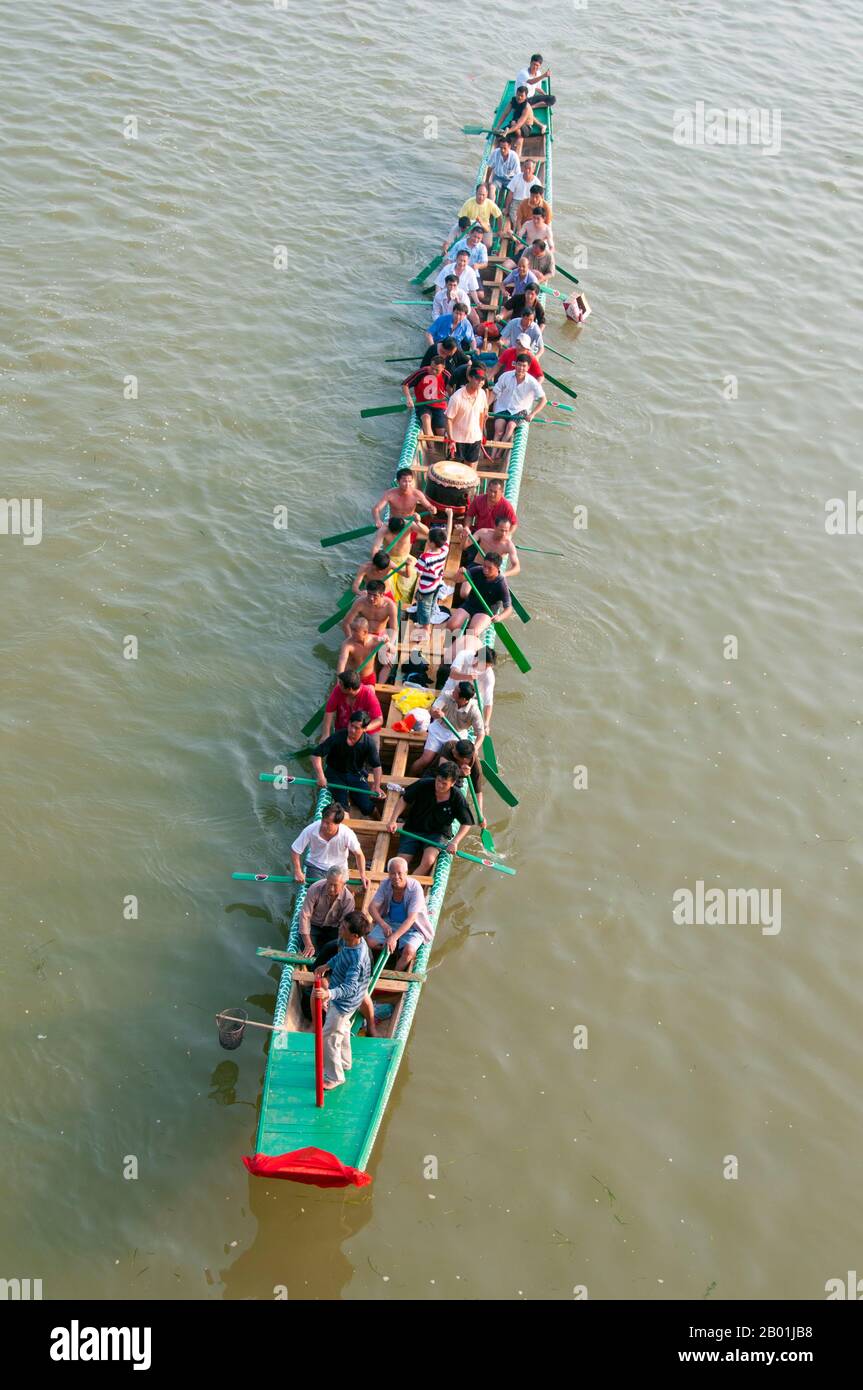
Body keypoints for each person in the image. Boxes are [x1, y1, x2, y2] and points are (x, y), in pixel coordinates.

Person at [313, 910, 373, 1089]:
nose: (340, 928)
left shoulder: (358, 959)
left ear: (354, 934)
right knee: (344, 1030)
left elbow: (350, 988)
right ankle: (345, 1062)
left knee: (329, 1036)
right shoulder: (348, 942)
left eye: (344, 927)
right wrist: (327, 965)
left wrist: (328, 994)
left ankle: (335, 1077)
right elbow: (341, 956)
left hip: (345, 1003)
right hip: (343, 998)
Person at [388, 762, 473, 874]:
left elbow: (467, 823)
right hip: (413, 828)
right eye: (438, 781)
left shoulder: (457, 798)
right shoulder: (424, 784)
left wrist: (455, 842)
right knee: (401, 862)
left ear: (452, 783)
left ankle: (410, 886)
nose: (439, 785)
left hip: (437, 834)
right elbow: (404, 799)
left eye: (444, 783)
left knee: (428, 861)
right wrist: (393, 820)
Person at [311, 710, 383, 816]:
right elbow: (316, 755)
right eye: (351, 725)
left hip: (356, 775)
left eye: (357, 728)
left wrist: (377, 786)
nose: (352, 730)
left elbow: (377, 766)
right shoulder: (337, 737)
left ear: (364, 729)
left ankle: (379, 821)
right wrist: (321, 776)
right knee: (342, 808)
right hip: (335, 774)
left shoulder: (368, 743)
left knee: (368, 807)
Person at [367, 857, 433, 971]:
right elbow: (371, 908)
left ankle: (394, 974)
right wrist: (383, 924)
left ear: (406, 873)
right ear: (388, 874)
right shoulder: (385, 884)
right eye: (392, 873)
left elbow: (412, 919)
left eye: (400, 873)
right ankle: (375, 963)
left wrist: (393, 937)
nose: (396, 877)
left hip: (413, 927)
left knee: (409, 952)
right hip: (390, 922)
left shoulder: (415, 887)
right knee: (369, 942)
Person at [410, 681, 484, 774]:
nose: (453, 691)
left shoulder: (474, 711)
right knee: (426, 760)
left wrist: (475, 749)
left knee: (449, 766)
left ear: (463, 699)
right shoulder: (447, 695)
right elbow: (433, 710)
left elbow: (481, 734)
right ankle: (408, 780)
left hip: (457, 735)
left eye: (456, 691)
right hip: (438, 730)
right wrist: (436, 714)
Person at [291, 802, 368, 887]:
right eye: (323, 821)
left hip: (339, 868)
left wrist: (363, 875)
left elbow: (359, 855)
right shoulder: (311, 829)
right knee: (320, 891)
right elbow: (295, 850)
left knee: (338, 893)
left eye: (328, 823)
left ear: (338, 823)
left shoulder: (347, 834)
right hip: (316, 866)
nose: (323, 825)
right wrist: (298, 871)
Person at [340, 581, 398, 683]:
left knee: (388, 662)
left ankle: (378, 687)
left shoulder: (390, 606)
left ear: (382, 595)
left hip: (380, 636)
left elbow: (394, 629)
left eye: (375, 596)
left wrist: (390, 645)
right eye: (369, 595)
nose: (371, 598)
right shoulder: (360, 602)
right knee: (352, 661)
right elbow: (346, 623)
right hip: (362, 634)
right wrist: (351, 640)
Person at [488, 353, 547, 452]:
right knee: (499, 430)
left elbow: (543, 400)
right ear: (515, 364)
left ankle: (499, 452)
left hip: (520, 410)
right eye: (519, 365)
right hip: (503, 406)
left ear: (528, 368)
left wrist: (532, 414)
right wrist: (486, 407)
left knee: (510, 427)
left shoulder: (532, 382)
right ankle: (492, 454)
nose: (521, 368)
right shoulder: (506, 376)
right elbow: (494, 392)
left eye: (524, 366)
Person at [446, 552, 513, 637]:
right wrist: (459, 573)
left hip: (485, 611)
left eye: (490, 568)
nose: (485, 570)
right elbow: (456, 580)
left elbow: (509, 609)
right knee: (451, 626)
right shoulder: (478, 570)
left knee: (471, 634)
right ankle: (446, 646)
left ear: (498, 568)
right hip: (469, 605)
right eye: (484, 566)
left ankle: (464, 646)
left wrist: (499, 617)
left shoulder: (501, 584)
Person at [423, 738, 485, 827]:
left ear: (464, 759)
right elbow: (442, 767)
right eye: (454, 748)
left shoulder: (476, 767)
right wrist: (460, 772)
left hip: (455, 782)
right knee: (425, 794)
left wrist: (480, 815)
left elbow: (478, 792)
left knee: (449, 802)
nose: (453, 750)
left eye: (455, 752)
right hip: (436, 774)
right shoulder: (450, 745)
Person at [298, 866, 356, 958]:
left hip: (334, 929)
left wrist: (340, 944)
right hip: (313, 926)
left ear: (343, 884)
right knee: (308, 952)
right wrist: (308, 943)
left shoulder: (348, 899)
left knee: (334, 953)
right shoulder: (314, 889)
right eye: (329, 884)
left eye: (335, 885)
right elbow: (305, 916)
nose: (331, 889)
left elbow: (344, 925)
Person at [411, 507, 453, 633]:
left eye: (428, 539)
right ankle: (428, 620)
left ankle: (426, 628)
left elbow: (417, 572)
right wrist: (450, 516)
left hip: (426, 587)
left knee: (424, 607)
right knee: (432, 602)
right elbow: (448, 534)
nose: (427, 540)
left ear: (433, 544)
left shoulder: (425, 557)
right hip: (437, 584)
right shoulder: (444, 550)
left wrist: (409, 564)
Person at [400, 357, 450, 449]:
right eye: (432, 368)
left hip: (439, 405)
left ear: (443, 368)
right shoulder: (421, 372)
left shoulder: (446, 375)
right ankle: (432, 450)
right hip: (423, 404)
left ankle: (444, 450)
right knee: (426, 420)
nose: (433, 371)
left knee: (441, 432)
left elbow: (452, 390)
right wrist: (409, 398)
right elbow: (405, 384)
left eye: (437, 370)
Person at [321, 668, 383, 738]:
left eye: (341, 684)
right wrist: (325, 734)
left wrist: (363, 729)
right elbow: (329, 711)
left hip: (366, 731)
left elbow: (379, 720)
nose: (339, 685)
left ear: (349, 689)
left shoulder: (368, 694)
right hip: (343, 729)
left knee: (372, 746)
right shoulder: (338, 690)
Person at [445, 366, 488, 464]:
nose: (480, 382)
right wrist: (451, 440)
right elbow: (448, 419)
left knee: (471, 467)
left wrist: (480, 434)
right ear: (469, 378)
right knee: (454, 468)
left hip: (475, 438)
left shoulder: (482, 394)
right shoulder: (456, 398)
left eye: (482, 379)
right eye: (477, 378)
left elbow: (481, 414)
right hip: (457, 439)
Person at [336, 614, 380, 686]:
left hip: (368, 678)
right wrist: (339, 681)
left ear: (365, 632)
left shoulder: (374, 640)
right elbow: (342, 662)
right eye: (352, 630)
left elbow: (392, 650)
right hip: (351, 680)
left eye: (355, 631)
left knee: (370, 692)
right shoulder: (347, 644)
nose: (352, 633)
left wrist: (388, 645)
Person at [493, 85, 537, 155]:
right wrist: (497, 127)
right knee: (498, 135)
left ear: (526, 97)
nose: (519, 97)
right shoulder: (513, 101)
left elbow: (519, 124)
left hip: (526, 128)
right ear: (516, 94)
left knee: (514, 123)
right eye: (518, 95)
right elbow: (505, 114)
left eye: (522, 96)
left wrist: (507, 132)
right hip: (515, 124)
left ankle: (519, 137)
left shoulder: (526, 107)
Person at [458, 183, 503, 248]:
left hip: (485, 226)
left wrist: (500, 230)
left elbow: (499, 216)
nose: (481, 197)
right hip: (471, 227)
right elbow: (461, 217)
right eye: (479, 194)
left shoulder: (489, 203)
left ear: (487, 194)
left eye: (483, 195)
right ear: (476, 193)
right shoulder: (468, 203)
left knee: (488, 244)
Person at [485, 135, 521, 207]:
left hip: (510, 179)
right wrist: (486, 182)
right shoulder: (495, 153)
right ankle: (492, 207)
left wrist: (516, 187)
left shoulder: (514, 157)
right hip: (498, 178)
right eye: (501, 148)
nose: (502, 150)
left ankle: (507, 208)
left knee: (514, 193)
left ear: (509, 147)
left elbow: (518, 174)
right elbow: (490, 168)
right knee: (491, 187)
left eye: (505, 148)